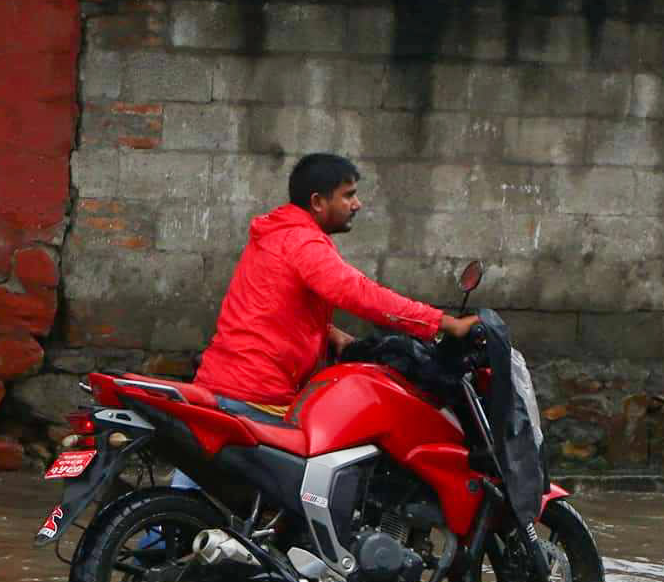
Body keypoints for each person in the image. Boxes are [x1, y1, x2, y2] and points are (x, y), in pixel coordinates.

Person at [195, 152, 478, 412]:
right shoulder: (303, 242)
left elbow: (272, 304)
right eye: (348, 196)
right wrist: (444, 323)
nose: (358, 204)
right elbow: (360, 294)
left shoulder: (277, 232)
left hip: (227, 384)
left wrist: (330, 333)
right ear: (318, 202)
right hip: (253, 396)